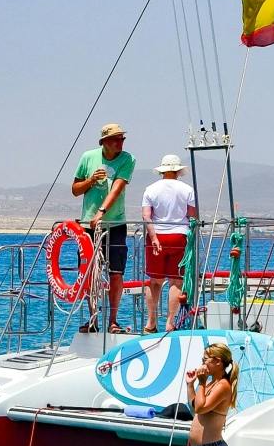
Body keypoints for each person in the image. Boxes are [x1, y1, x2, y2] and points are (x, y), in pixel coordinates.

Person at [70, 122, 136, 332]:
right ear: (105, 142)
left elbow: (117, 188)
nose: (121, 142)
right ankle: (93, 319)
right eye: (116, 139)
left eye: (122, 139)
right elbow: (75, 190)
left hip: (115, 223)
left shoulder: (127, 159)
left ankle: (113, 320)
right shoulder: (88, 157)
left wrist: (101, 212)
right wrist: (91, 180)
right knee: (91, 272)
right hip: (88, 225)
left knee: (116, 272)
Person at [140, 154, 197, 333]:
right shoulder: (187, 189)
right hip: (179, 236)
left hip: (156, 236)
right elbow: (192, 215)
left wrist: (154, 238)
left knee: (154, 281)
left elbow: (146, 216)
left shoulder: (150, 189)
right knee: (176, 282)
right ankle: (170, 322)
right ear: (178, 171)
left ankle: (151, 321)